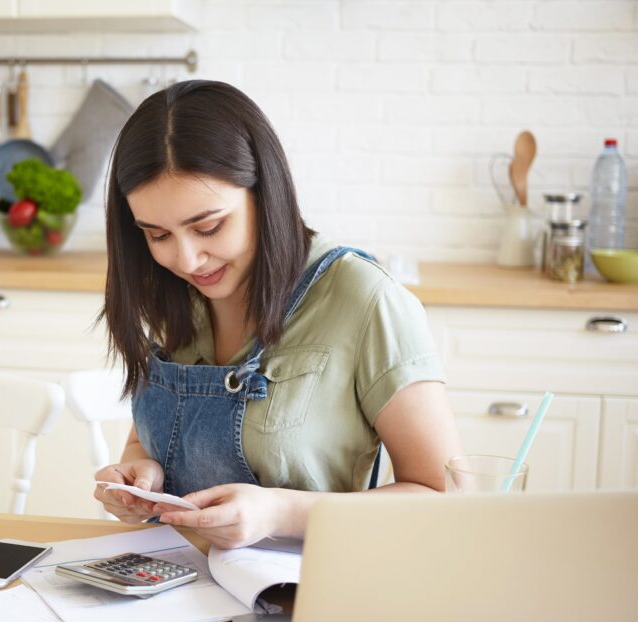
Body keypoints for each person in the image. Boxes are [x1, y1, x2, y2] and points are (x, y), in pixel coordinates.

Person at [93, 80, 463, 549]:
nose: (186, 260)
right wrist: (140, 474)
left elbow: (445, 496)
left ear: (265, 193)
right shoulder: (174, 293)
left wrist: (280, 511)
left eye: (208, 226)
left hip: (304, 595)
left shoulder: (364, 299)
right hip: (171, 585)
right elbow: (146, 441)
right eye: (157, 235)